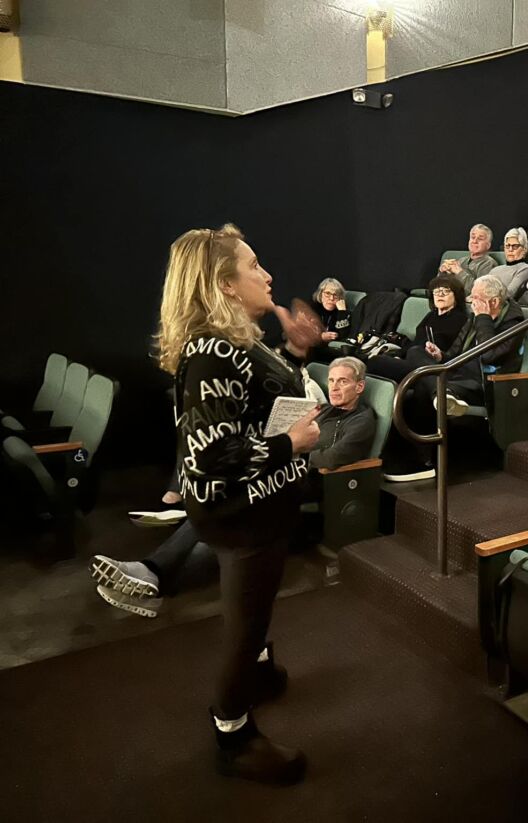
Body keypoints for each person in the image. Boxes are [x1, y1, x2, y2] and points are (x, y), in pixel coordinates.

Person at [151, 223, 323, 784]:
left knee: (256, 612)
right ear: (225, 285)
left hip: (262, 510)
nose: (267, 275)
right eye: (254, 266)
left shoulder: (235, 341)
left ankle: (259, 674)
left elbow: (256, 401)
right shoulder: (214, 351)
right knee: (244, 626)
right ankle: (233, 733)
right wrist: (290, 443)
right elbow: (211, 457)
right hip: (242, 516)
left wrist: (296, 350)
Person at [91, 357, 378, 617]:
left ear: (359, 386)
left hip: (318, 483)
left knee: (227, 504)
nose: (334, 387)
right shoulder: (323, 411)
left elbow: (334, 458)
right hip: (286, 472)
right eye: (331, 380)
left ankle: (153, 571)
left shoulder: (362, 420)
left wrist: (295, 451)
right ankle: (153, 574)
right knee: (223, 509)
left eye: (343, 381)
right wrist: (287, 446)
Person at [383, 275, 524, 482]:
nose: (471, 302)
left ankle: (421, 461)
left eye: (476, 298)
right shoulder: (474, 317)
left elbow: (489, 355)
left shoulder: (513, 323)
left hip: (481, 383)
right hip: (455, 373)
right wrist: (440, 356)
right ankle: (440, 393)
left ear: (493, 302)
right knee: (415, 352)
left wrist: (483, 318)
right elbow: (455, 354)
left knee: (420, 387)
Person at [367, 274, 468, 383]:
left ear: (456, 296)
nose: (440, 295)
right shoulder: (431, 315)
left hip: (432, 365)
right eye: (436, 291)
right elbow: (417, 340)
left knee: (376, 362)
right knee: (374, 360)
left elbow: (445, 349)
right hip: (413, 360)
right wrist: (399, 355)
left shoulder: (459, 318)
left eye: (446, 291)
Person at [438, 224, 496, 293]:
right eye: (473, 237)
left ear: (488, 245)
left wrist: (459, 272)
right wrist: (443, 272)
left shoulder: (488, 263)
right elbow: (441, 285)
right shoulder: (462, 260)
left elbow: (480, 291)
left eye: (480, 239)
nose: (474, 241)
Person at [488, 228, 528, 299]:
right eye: (507, 246)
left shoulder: (525, 268)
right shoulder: (494, 270)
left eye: (515, 246)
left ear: (524, 249)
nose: (510, 249)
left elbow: (509, 293)